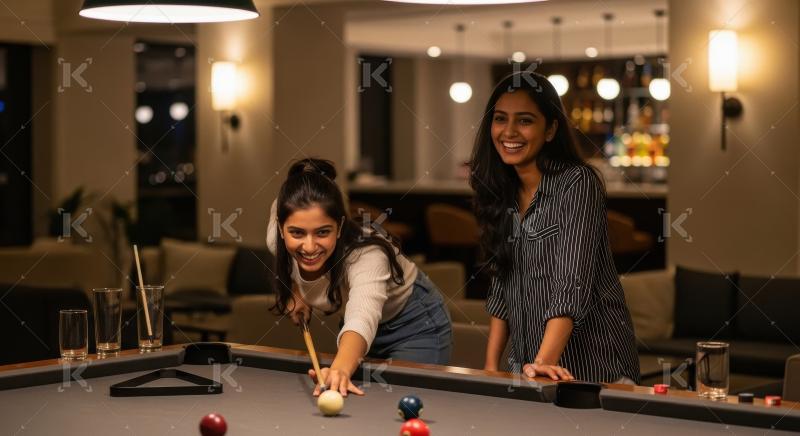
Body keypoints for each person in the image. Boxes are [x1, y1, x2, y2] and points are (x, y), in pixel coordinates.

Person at [470, 71, 640, 384]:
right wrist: (491, 367)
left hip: (596, 369)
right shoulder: (502, 194)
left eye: (524, 121)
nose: (509, 132)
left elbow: (571, 282)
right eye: (500, 119)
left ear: (550, 130)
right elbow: (500, 288)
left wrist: (543, 362)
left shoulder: (578, 183)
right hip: (532, 368)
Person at [266, 158, 452, 396]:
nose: (309, 246)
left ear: (340, 226)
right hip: (359, 329)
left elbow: (361, 316)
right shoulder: (277, 238)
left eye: (323, 232)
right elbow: (278, 216)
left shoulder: (367, 254)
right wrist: (296, 290)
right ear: (281, 228)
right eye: (297, 233)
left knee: (405, 404)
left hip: (415, 324)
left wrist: (341, 369)